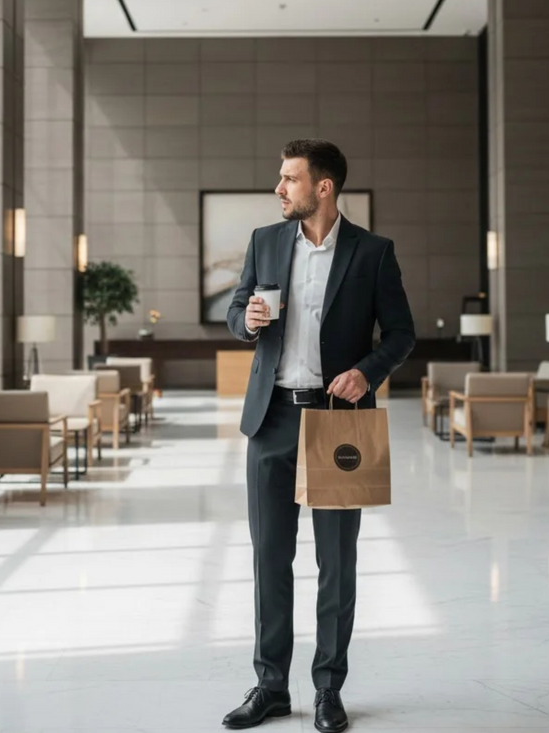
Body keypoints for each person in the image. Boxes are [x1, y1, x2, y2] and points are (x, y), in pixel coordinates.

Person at [221, 139, 415, 732]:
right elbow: (236, 309)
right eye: (280, 178)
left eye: (289, 179)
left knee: (336, 562)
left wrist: (368, 371)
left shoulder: (373, 253)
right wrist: (246, 320)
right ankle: (270, 687)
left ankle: (329, 689)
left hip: (337, 421)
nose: (279, 188)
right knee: (270, 559)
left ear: (323, 187)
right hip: (271, 419)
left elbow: (401, 334)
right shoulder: (265, 242)